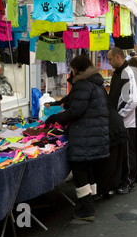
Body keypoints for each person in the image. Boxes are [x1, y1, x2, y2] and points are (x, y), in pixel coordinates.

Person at [45, 55, 109, 221]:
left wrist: (55, 118)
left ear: (77, 69)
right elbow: (75, 101)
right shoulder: (96, 83)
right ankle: (91, 199)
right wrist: (55, 105)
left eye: (72, 69)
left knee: (80, 169)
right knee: (87, 168)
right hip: (95, 133)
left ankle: (87, 209)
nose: (71, 72)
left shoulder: (82, 84)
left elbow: (76, 110)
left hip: (85, 134)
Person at [107, 47, 137, 194]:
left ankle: (128, 181)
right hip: (120, 120)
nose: (108, 62)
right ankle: (123, 179)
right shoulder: (119, 73)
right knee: (122, 153)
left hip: (125, 121)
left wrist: (119, 116)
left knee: (127, 152)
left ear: (118, 57)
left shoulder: (126, 73)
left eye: (110, 59)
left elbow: (131, 100)